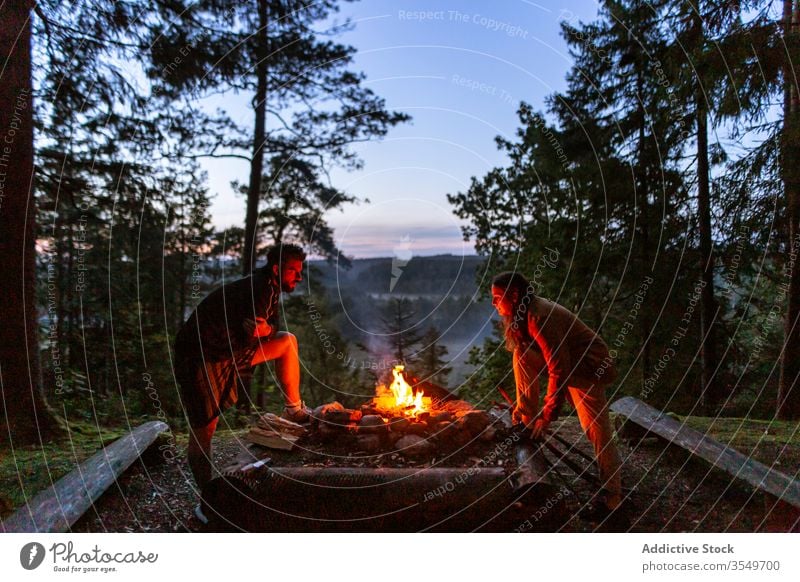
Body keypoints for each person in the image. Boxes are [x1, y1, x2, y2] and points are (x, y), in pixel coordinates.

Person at [174, 243, 309, 495]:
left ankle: (294, 410)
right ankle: (208, 498)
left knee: (286, 341)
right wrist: (263, 329)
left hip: (227, 352)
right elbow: (256, 329)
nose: (299, 277)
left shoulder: (267, 287)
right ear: (278, 269)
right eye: (293, 271)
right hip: (201, 356)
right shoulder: (261, 287)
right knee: (204, 428)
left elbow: (267, 327)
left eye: (300, 271)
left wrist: (266, 329)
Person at [490, 271, 625, 521]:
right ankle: (524, 419)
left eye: (498, 297)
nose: (493, 303)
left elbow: (558, 369)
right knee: (520, 353)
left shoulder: (538, 317)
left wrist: (547, 416)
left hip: (590, 367)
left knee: (597, 432)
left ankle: (614, 503)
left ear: (515, 295)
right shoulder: (524, 315)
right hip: (575, 365)